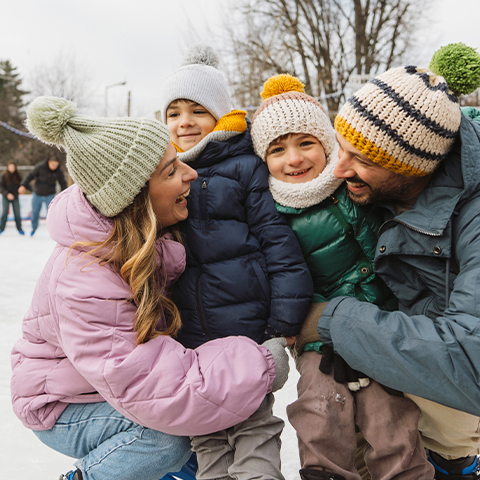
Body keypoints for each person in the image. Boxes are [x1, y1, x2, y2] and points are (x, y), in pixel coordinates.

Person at [11, 96, 290, 480]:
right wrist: (260, 362)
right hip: (62, 404)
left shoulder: (143, 238)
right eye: (171, 170)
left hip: (99, 386)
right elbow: (151, 385)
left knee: (192, 451)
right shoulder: (84, 280)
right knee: (165, 441)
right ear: (137, 197)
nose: (190, 174)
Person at [298, 43, 480, 479]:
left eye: (360, 159)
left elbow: (472, 361)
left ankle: (452, 461)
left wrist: (332, 321)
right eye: (339, 148)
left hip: (451, 392)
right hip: (381, 355)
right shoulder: (370, 188)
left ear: (414, 167)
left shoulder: (473, 218)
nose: (338, 170)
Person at [250, 74, 434, 480]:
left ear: (326, 143)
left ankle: (406, 472)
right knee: (318, 406)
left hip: (379, 322)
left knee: (389, 414)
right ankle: (324, 472)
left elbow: (385, 255)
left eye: (305, 143)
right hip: (318, 333)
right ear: (263, 160)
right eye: (277, 150)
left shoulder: (353, 186)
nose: (293, 159)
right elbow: (282, 280)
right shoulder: (269, 215)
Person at [159, 43, 313, 480]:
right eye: (174, 113)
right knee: (207, 442)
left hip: (247, 334)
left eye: (196, 110)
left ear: (220, 114)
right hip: (189, 338)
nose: (184, 122)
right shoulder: (157, 175)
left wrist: (280, 329)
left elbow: (280, 248)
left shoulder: (245, 167)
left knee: (253, 432)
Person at [18, 152, 67, 235]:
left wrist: (65, 194)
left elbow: (63, 183)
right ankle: (33, 228)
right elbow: (30, 176)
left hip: (50, 194)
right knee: (35, 212)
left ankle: (54, 230)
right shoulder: (40, 167)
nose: (54, 167)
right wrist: (23, 185)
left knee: (52, 213)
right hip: (38, 193)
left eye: (56, 165)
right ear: (49, 162)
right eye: (53, 165)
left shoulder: (58, 171)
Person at [0, 160, 24, 234]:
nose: (11, 168)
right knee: (4, 212)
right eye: (10, 167)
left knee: (17, 213)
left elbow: (22, 184)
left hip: (15, 196)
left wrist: (22, 188)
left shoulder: (18, 175)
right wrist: (7, 194)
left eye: (13, 167)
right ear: (7, 167)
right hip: (6, 196)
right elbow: (1, 187)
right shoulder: (3, 175)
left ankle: (19, 228)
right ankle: (1, 228)